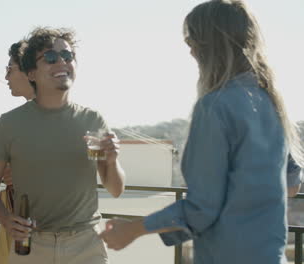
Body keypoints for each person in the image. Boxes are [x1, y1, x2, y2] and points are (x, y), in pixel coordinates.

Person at [99, 1, 303, 263]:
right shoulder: (269, 102)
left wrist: (132, 230)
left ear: (209, 45)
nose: (190, 51)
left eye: (190, 40)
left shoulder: (215, 107)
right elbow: (292, 183)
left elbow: (201, 210)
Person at [0, 27, 126, 264]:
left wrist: (112, 160)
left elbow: (116, 189)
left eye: (68, 56)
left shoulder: (92, 120)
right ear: (31, 73)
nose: (61, 62)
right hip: (30, 247)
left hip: (86, 245)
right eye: (50, 57)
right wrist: (7, 220)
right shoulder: (8, 125)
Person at [0, 39, 35, 264]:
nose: (6, 77)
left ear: (31, 72)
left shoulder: (68, 120)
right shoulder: (9, 123)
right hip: (17, 223)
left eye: (10, 69)